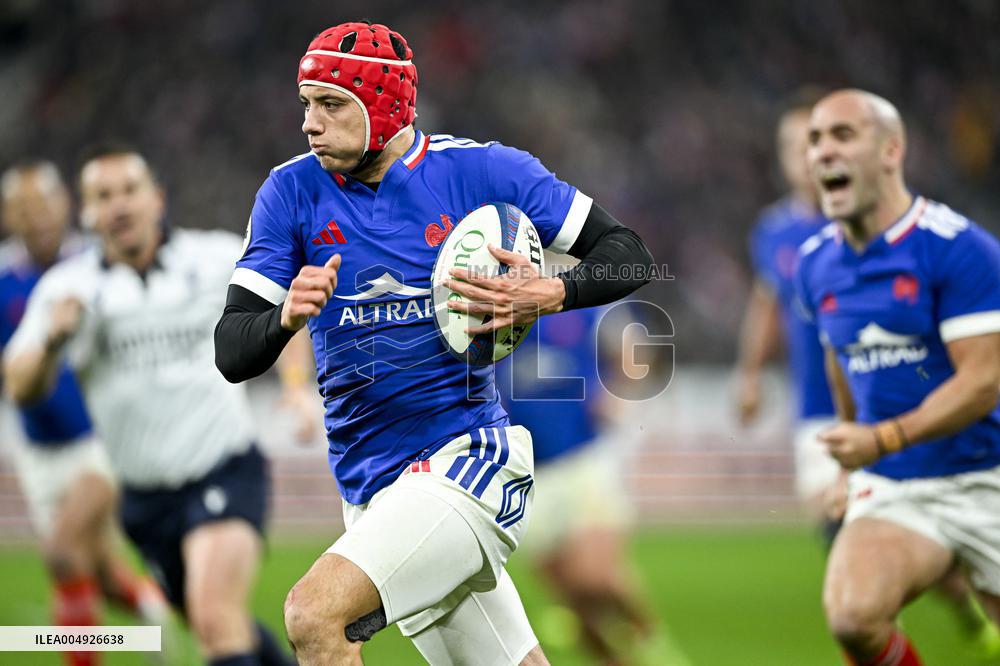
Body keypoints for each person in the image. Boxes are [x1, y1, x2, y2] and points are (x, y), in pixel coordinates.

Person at [214, 20, 654, 666]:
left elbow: (629, 254)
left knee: (314, 617)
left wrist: (552, 291)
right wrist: (284, 316)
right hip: (373, 492)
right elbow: (231, 349)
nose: (310, 123)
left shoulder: (482, 172)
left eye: (332, 104)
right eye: (306, 103)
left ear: (385, 105)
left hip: (469, 465)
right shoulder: (289, 193)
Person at [3, 146, 292, 666]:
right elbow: (19, 384)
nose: (119, 206)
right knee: (223, 625)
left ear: (156, 198)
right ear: (87, 213)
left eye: (129, 191)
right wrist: (50, 342)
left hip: (222, 469)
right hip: (145, 500)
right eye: (103, 196)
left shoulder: (213, 258)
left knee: (212, 615)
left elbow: (290, 305)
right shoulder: (68, 289)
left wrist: (296, 388)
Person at [794, 89, 1000, 666]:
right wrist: (850, 452)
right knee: (853, 618)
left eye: (842, 135)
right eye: (815, 139)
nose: (822, 152)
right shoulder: (814, 264)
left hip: (988, 474)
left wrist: (880, 438)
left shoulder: (959, 249)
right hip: (898, 485)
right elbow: (841, 354)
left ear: (891, 150)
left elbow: (983, 381)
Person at [0, 160, 170, 666]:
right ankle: (150, 605)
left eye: (45, 204)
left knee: (61, 552)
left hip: (99, 442)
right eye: (25, 208)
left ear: (65, 207)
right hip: (36, 448)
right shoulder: (4, 277)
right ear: (11, 216)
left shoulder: (95, 266)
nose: (38, 217)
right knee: (90, 570)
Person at [497, 299, 689, 665]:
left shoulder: (577, 302)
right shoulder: (492, 313)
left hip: (581, 458)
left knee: (596, 578)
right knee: (572, 596)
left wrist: (619, 392)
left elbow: (630, 345)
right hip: (525, 475)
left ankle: (652, 639)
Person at [734, 92, 841, 529]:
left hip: (883, 403)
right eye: (789, 147)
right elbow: (766, 305)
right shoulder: (774, 231)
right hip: (815, 404)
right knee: (833, 525)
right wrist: (750, 374)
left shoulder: (871, 221)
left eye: (809, 143)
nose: (799, 158)